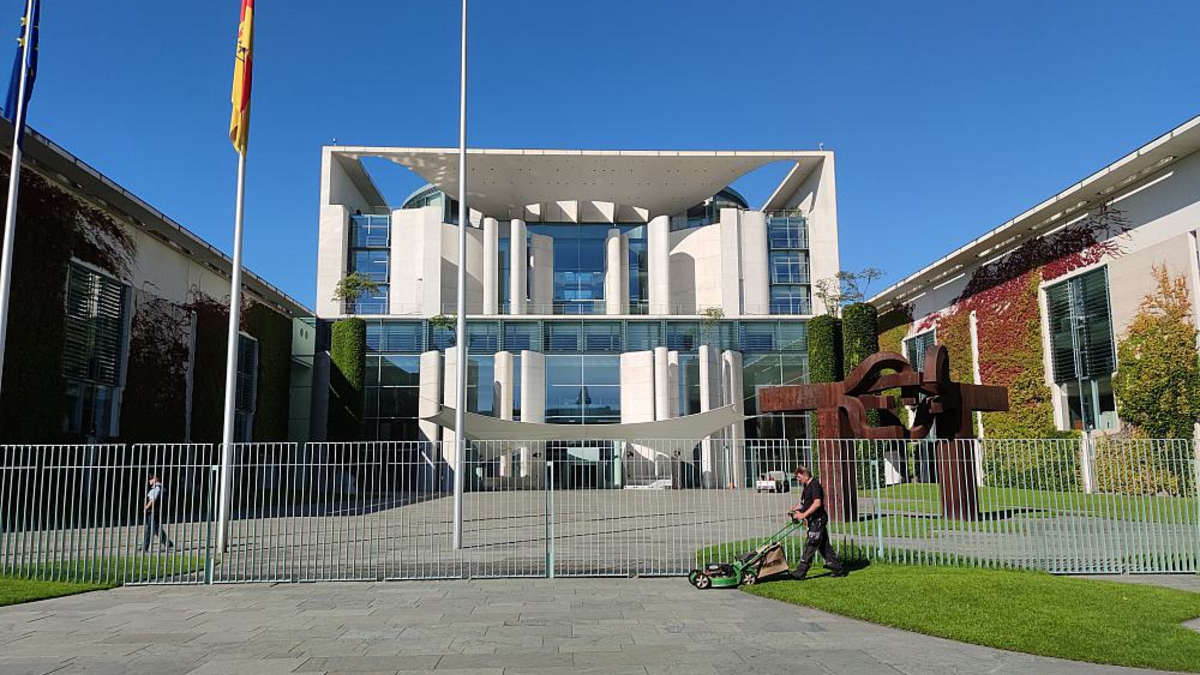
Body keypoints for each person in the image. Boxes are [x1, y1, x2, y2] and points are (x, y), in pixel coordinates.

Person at [786, 466, 845, 579]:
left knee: (811, 543)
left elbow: (817, 503)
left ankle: (801, 572)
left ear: (805, 475)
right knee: (823, 545)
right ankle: (837, 568)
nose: (798, 479)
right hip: (814, 520)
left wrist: (803, 515)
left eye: (799, 477)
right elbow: (803, 503)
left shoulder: (815, 485)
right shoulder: (806, 486)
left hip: (818, 520)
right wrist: (793, 510)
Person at [143, 473, 174, 553]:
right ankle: (167, 543)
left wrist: (146, 508)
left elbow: (152, 500)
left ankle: (145, 547)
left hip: (153, 511)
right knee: (154, 529)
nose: (149, 480)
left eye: (151, 479)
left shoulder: (156, 488)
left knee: (152, 529)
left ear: (156, 479)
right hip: (157, 511)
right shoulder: (162, 487)